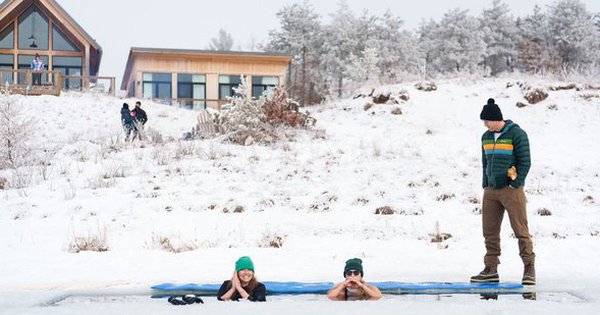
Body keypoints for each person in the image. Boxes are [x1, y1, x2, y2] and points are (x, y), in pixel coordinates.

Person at [471, 98, 535, 286]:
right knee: (489, 231)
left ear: (495, 119)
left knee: (520, 230)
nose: (484, 124)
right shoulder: (486, 137)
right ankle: (491, 269)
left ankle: (529, 267)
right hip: (491, 190)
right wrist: (485, 184)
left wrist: (516, 184)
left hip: (511, 190)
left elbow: (525, 162)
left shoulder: (517, 134)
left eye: (486, 121)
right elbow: (485, 163)